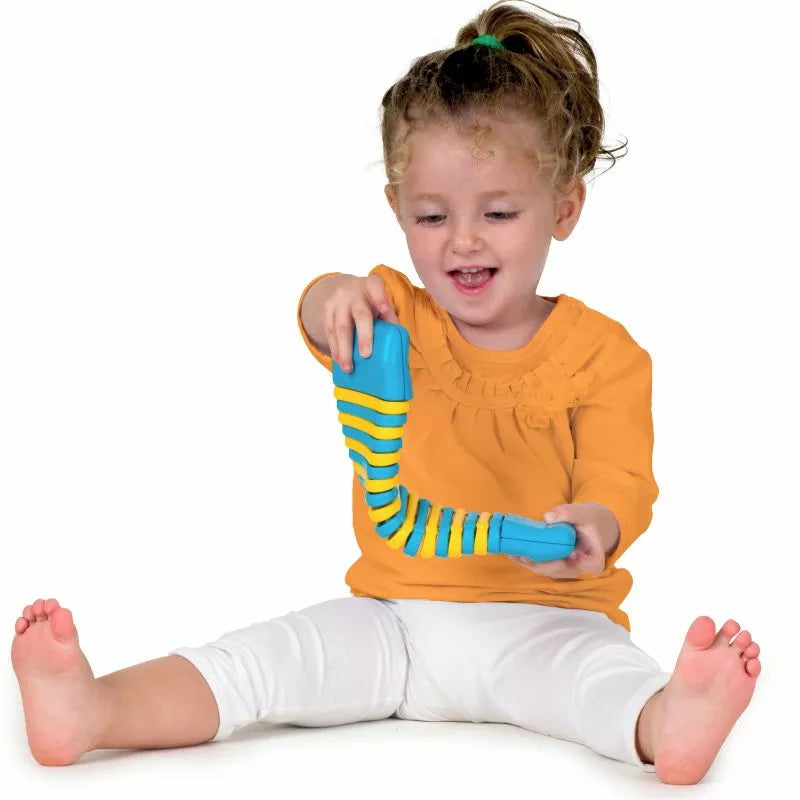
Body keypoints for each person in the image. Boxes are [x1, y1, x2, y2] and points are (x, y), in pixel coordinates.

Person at [10, 0, 760, 785]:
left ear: (564, 208)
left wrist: (597, 523)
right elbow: (316, 315)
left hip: (550, 623)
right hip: (395, 620)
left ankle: (668, 721)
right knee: (265, 659)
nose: (463, 240)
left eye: (498, 212)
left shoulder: (604, 355)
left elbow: (621, 478)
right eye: (432, 216)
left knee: (600, 684)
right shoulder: (394, 313)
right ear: (398, 210)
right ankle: (92, 710)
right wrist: (331, 293)